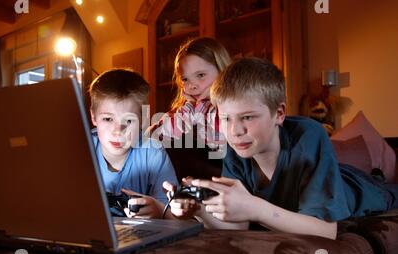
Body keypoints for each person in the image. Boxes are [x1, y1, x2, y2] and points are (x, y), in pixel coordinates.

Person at [163, 57, 398, 239]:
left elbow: (326, 231)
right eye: (225, 119)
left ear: (279, 113)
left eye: (247, 117)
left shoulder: (309, 135)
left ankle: (377, 175)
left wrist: (255, 208)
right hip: (324, 176)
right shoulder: (235, 150)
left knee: (386, 189)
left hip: (359, 188)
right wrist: (198, 211)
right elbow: (239, 226)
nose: (234, 130)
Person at [89, 68, 178, 219]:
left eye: (129, 120)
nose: (118, 131)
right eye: (108, 119)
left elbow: (175, 215)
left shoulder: (152, 153)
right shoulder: (81, 149)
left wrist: (159, 212)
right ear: (93, 117)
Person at [147, 37, 232, 179]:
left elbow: (219, 139)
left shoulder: (232, 110)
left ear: (222, 71)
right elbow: (153, 137)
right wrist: (191, 109)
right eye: (185, 79)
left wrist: (200, 108)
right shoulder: (183, 111)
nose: (193, 85)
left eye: (201, 75)